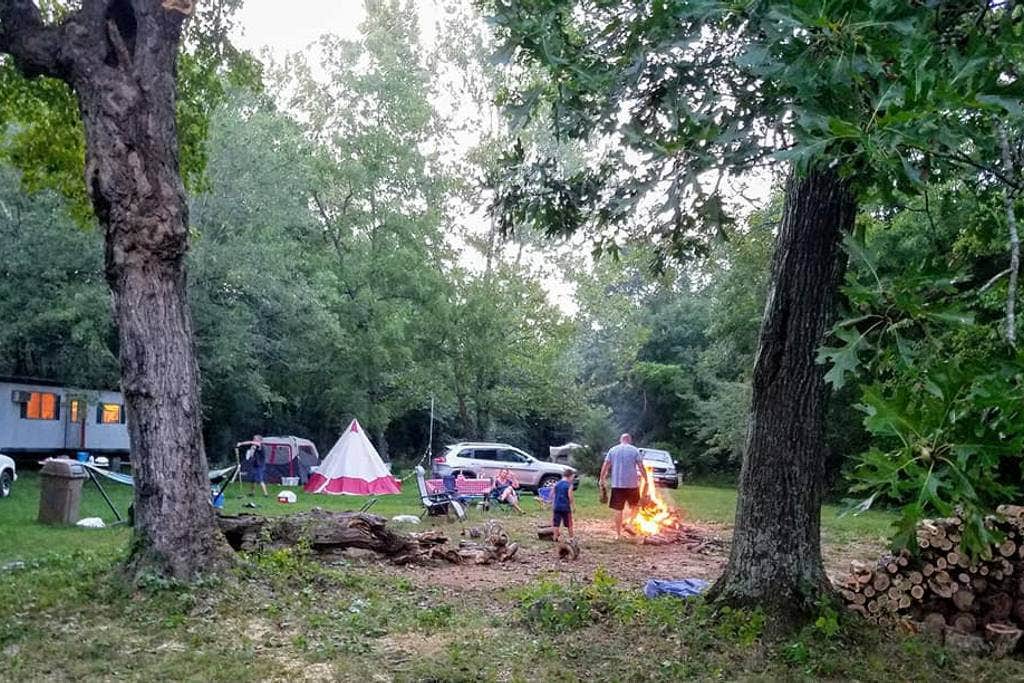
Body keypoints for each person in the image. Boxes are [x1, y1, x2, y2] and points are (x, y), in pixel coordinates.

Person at [598, 433, 646, 539]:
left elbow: (606, 465)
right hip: (632, 485)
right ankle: (629, 524)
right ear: (630, 440)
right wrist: (645, 478)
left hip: (617, 484)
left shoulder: (613, 450)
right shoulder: (634, 450)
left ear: (621, 440)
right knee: (635, 507)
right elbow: (641, 466)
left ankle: (618, 534)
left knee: (618, 510)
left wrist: (601, 479)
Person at [551, 470, 575, 543]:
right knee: (569, 523)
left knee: (556, 523)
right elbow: (570, 496)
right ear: (570, 476)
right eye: (572, 477)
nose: (573, 479)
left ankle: (555, 537)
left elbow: (552, 494)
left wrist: (552, 503)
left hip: (557, 507)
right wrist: (573, 506)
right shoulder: (569, 485)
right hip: (565, 507)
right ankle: (571, 538)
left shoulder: (557, 484)